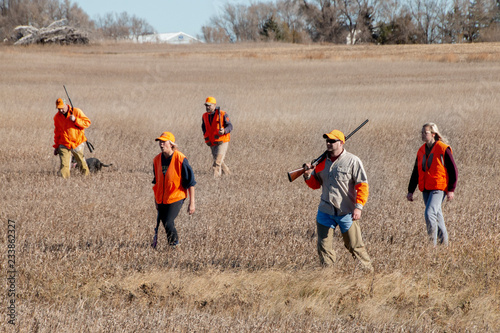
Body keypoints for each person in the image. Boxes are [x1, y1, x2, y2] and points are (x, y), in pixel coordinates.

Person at [303, 130, 373, 272]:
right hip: (325, 211)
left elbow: (363, 186)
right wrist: (308, 176)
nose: (328, 143)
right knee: (324, 248)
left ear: (341, 143)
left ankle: (368, 274)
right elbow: (316, 185)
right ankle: (328, 276)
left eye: (332, 141)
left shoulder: (353, 161)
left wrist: (358, 207)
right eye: (327, 141)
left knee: (354, 246)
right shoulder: (321, 162)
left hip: (346, 212)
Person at [406, 123, 457, 246]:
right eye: (422, 132)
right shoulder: (421, 150)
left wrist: (451, 189)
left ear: (433, 134)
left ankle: (431, 247)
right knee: (437, 216)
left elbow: (453, 170)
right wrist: (410, 190)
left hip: (439, 188)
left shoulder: (443, 148)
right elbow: (416, 171)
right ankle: (444, 247)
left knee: (429, 214)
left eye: (425, 133)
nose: (423, 135)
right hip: (426, 188)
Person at [152, 132, 196, 249]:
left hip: (177, 196)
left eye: (164, 142)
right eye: (160, 142)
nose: (161, 144)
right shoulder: (156, 160)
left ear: (171, 144)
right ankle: (171, 244)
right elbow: (156, 182)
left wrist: (192, 204)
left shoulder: (181, 159)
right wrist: (156, 200)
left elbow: (191, 183)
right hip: (162, 198)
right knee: (165, 223)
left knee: (168, 221)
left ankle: (174, 246)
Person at [53, 98, 91, 178]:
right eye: (58, 108)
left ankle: (87, 179)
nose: (60, 110)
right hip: (64, 143)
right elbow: (57, 132)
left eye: (62, 108)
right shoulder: (57, 117)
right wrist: (56, 146)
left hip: (77, 142)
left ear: (66, 105)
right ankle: (64, 183)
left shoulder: (76, 112)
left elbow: (87, 123)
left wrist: (75, 120)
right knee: (64, 165)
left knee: (81, 163)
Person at [201, 96, 233, 177]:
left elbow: (230, 126)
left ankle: (215, 179)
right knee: (219, 161)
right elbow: (204, 127)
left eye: (209, 105)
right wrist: (206, 136)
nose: (207, 107)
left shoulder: (222, 114)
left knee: (217, 163)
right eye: (206, 105)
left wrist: (224, 131)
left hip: (222, 141)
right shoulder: (204, 116)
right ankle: (228, 175)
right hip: (212, 142)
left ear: (214, 105)